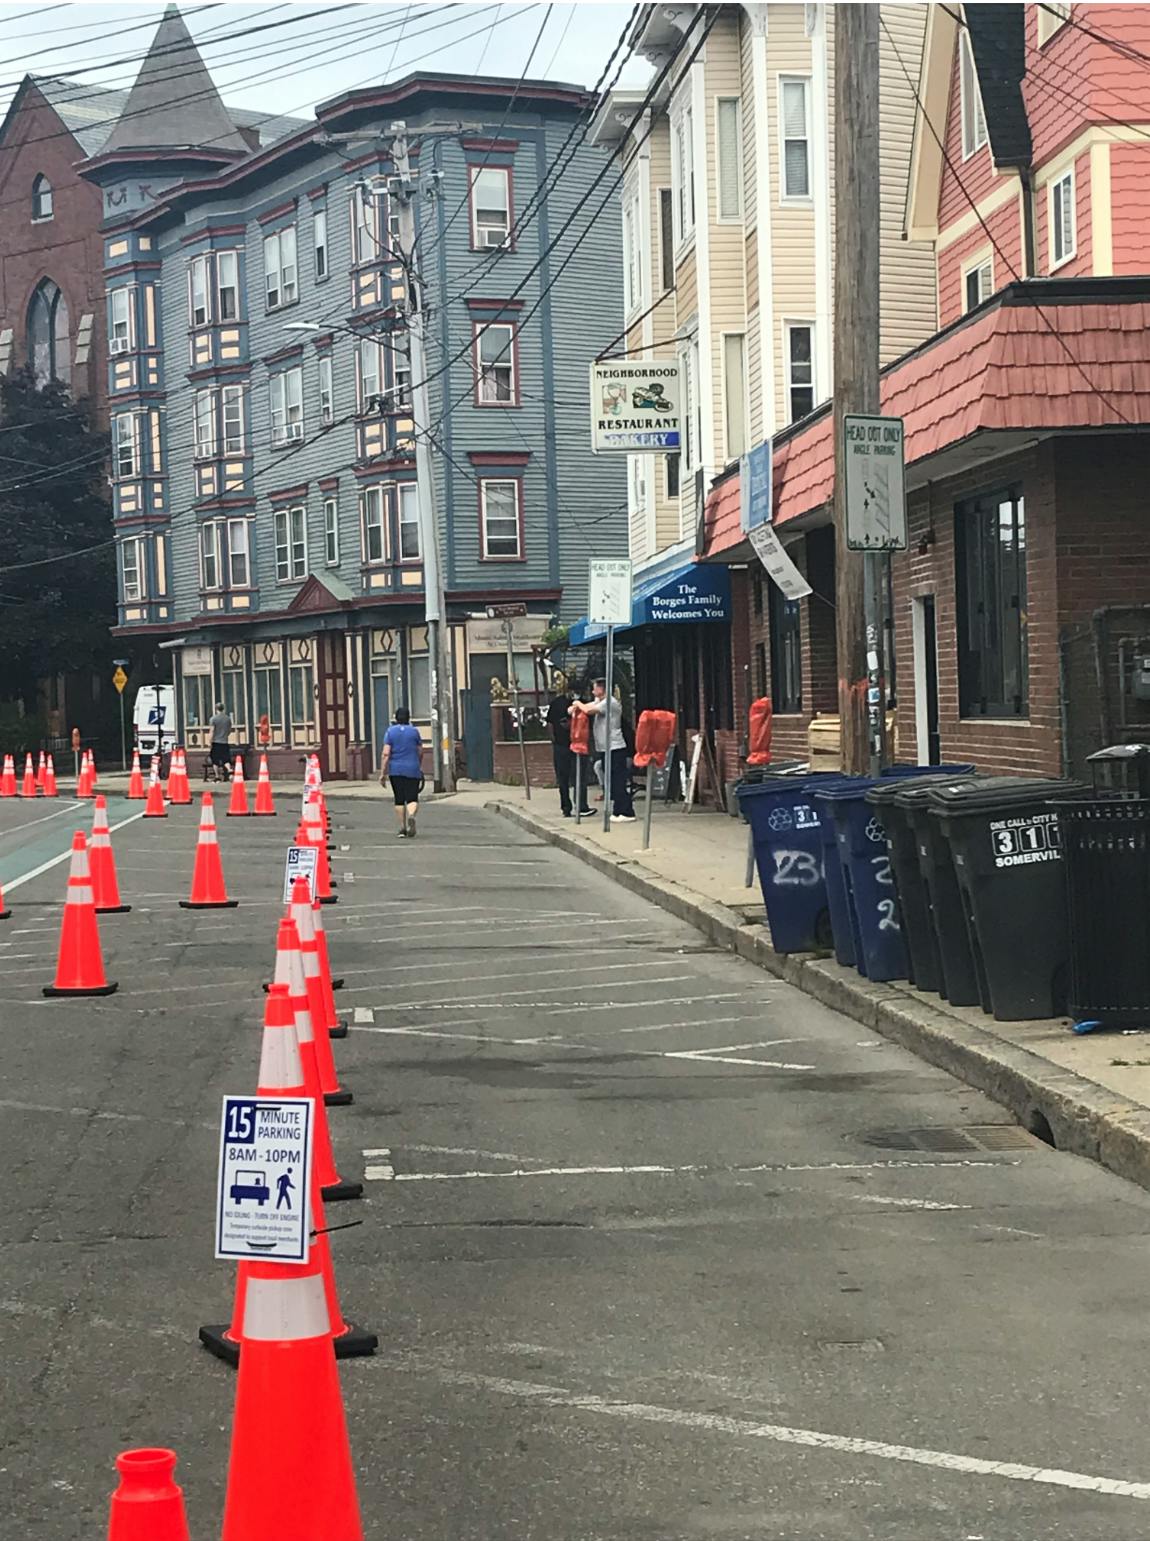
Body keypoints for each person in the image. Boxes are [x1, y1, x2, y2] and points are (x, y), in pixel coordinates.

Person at [570, 678, 635, 821]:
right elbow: (578, 709)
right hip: (605, 747)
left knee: (618, 780)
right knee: (611, 780)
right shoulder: (600, 702)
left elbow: (588, 709)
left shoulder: (609, 702)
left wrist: (578, 703)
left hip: (615, 746)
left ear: (602, 688)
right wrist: (575, 706)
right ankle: (618, 810)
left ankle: (626, 811)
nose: (593, 691)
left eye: (594, 688)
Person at [546, 675, 590, 818]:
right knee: (566, 778)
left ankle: (578, 806)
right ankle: (569, 806)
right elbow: (550, 723)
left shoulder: (583, 704)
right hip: (563, 745)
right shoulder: (558, 703)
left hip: (574, 745)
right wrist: (555, 740)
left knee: (575, 777)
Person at [380, 705, 425, 837]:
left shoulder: (390, 732)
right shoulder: (414, 732)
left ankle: (402, 828)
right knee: (412, 798)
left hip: (396, 770)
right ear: (408, 718)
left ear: (396, 718)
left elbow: (386, 753)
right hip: (412, 768)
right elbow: (420, 751)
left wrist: (383, 773)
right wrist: (418, 764)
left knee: (399, 799)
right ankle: (411, 815)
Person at [209, 702, 233, 781]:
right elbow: (229, 730)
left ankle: (217, 776)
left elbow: (212, 731)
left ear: (216, 709)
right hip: (225, 742)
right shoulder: (228, 719)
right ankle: (229, 769)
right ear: (223, 709)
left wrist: (210, 741)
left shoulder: (213, 719)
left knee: (215, 760)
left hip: (216, 742)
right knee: (226, 759)